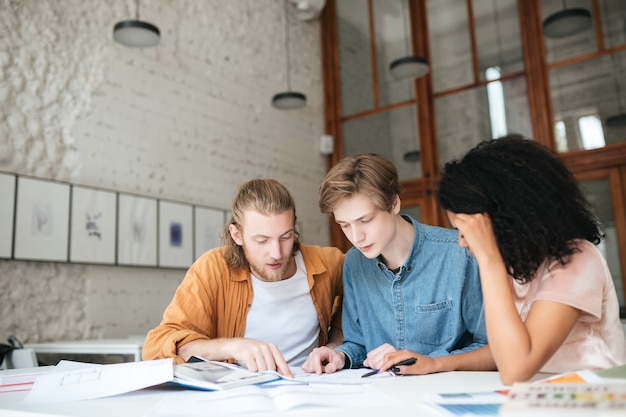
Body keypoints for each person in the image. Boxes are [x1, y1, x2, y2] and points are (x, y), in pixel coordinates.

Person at [436, 134, 626, 384]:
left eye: (466, 231)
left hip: (598, 395)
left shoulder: (579, 259)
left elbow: (516, 368)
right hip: (538, 395)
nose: (461, 241)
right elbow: (506, 348)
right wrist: (436, 363)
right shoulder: (515, 266)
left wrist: (489, 259)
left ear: (505, 219)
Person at [302, 153, 495, 376]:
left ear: (394, 203)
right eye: (344, 225)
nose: (356, 237)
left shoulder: (459, 252)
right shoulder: (354, 263)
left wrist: (432, 362)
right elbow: (358, 344)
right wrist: (340, 355)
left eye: (365, 220)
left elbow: (492, 348)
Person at [142, 178, 344, 377]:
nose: (276, 252)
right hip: (238, 395)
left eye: (285, 236)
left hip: (310, 388)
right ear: (237, 235)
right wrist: (231, 347)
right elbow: (158, 346)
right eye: (262, 240)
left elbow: (362, 304)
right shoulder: (212, 269)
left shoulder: (328, 264)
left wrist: (335, 344)